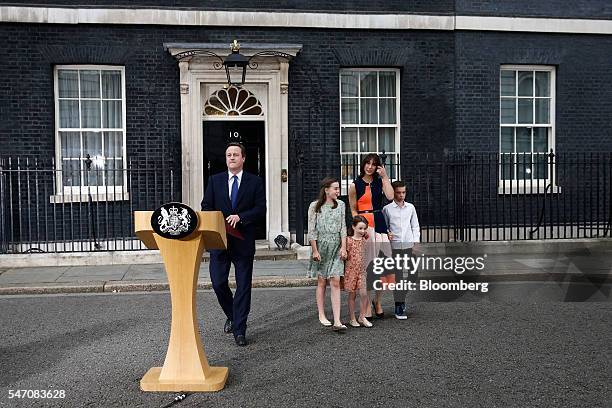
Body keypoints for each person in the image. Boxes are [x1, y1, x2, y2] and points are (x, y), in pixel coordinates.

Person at [201, 142, 266, 347]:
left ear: (243, 158)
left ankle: (240, 329)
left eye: (235, 155)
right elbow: (206, 206)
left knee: (243, 286)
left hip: (243, 242)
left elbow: (260, 209)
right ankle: (232, 315)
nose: (231, 158)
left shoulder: (255, 182)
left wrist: (242, 217)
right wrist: (219, 221)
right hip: (219, 241)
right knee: (218, 283)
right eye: (228, 154)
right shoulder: (215, 180)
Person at [348, 153, 394, 318]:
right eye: (367, 163)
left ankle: (378, 301)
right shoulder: (355, 185)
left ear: (377, 167)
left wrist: (385, 176)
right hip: (364, 226)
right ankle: (366, 306)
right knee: (367, 267)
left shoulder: (380, 181)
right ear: (363, 165)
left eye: (373, 164)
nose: (370, 166)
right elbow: (353, 208)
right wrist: (359, 227)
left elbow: (390, 197)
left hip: (380, 224)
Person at [308, 177, 348, 331]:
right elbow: (312, 230)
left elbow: (343, 227)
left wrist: (343, 247)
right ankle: (321, 314)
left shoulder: (341, 205)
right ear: (326, 190)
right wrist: (315, 250)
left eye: (338, 188)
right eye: (335, 188)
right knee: (322, 281)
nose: (338, 191)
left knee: (336, 281)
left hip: (337, 246)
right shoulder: (314, 206)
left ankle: (337, 320)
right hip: (321, 248)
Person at [382, 180, 420, 320]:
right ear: (393, 192)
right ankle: (399, 306)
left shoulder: (410, 207)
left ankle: (401, 298)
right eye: (398, 192)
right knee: (398, 277)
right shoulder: (387, 209)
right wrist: (387, 233)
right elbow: (384, 227)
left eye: (403, 192)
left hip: (409, 245)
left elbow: (415, 226)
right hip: (395, 247)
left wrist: (416, 243)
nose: (401, 195)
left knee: (413, 275)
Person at [344, 215, 373, 328]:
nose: (362, 231)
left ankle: (362, 316)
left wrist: (365, 233)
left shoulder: (364, 239)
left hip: (362, 271)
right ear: (353, 227)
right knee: (352, 295)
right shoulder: (348, 240)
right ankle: (352, 318)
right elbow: (343, 255)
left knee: (364, 294)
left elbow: (368, 235)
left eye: (364, 228)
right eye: (360, 228)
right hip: (350, 272)